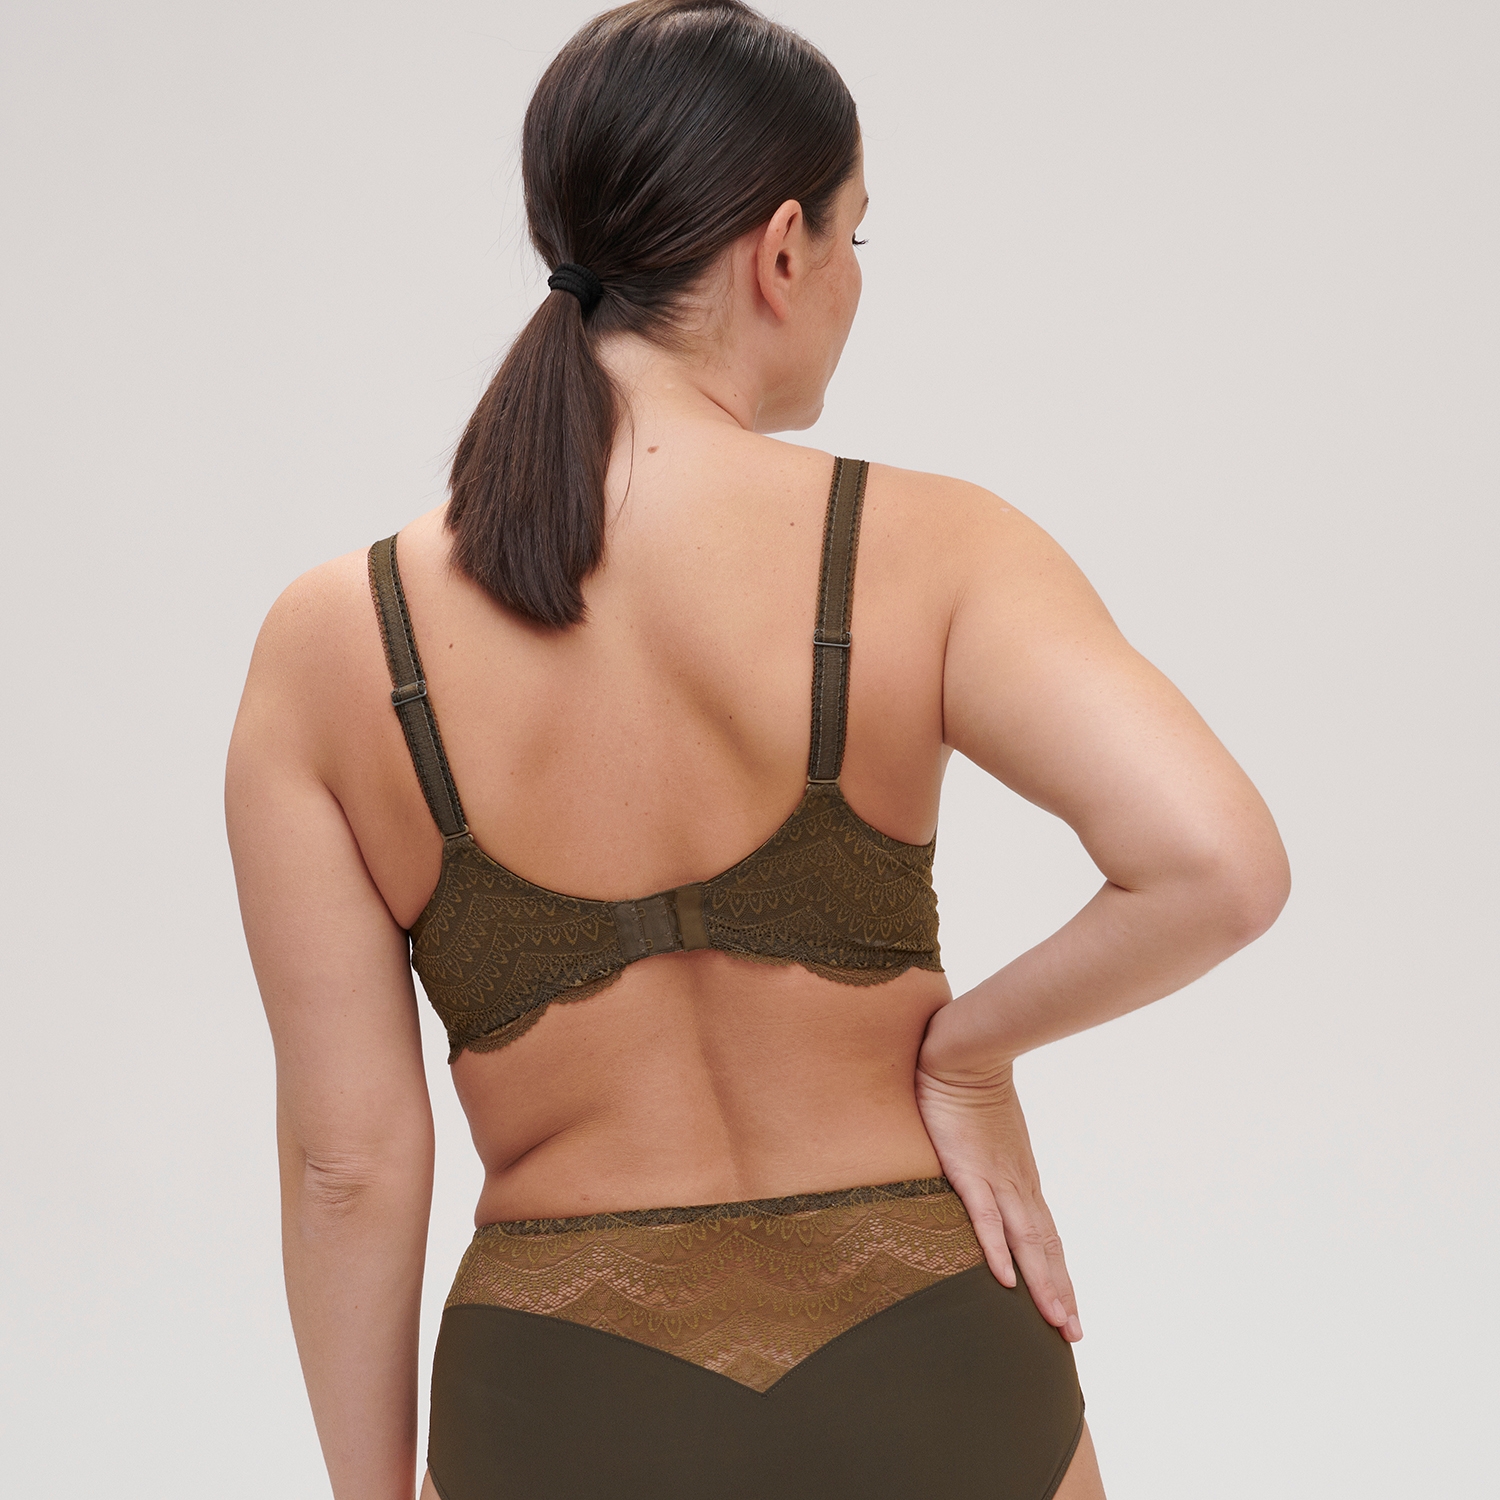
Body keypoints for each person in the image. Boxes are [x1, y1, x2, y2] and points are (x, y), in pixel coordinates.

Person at [226, 2, 1290, 1496]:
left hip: (559, 1389)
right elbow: (1217, 870)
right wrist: (968, 1057)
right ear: (782, 250)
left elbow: (346, 1167)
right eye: (859, 235)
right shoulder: (930, 549)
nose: (855, 278)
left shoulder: (336, 641)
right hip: (926, 1345)